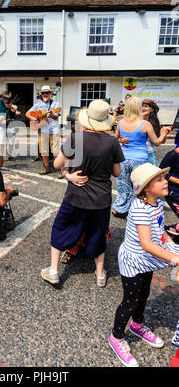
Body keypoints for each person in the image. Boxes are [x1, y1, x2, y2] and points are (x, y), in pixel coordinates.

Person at [41, 100, 125, 287]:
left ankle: (54, 271)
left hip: (76, 195)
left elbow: (57, 164)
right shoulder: (112, 142)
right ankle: (100, 274)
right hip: (101, 197)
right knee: (97, 233)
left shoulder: (75, 138)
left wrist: (69, 176)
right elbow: (117, 173)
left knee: (61, 227)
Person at [109, 163, 179, 368]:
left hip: (146, 258)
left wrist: (170, 242)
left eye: (163, 178)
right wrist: (174, 258)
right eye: (159, 179)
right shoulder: (139, 208)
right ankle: (116, 336)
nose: (165, 181)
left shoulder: (156, 202)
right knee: (130, 301)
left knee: (145, 292)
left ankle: (137, 325)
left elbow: (159, 229)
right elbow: (147, 244)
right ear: (146, 187)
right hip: (134, 260)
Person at [112, 97, 171, 219]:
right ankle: (137, 211)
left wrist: (122, 140)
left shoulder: (121, 122)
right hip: (140, 160)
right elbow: (156, 142)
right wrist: (164, 133)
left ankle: (120, 208)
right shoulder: (145, 124)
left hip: (124, 158)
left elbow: (115, 139)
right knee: (139, 186)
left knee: (124, 184)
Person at [26, 85, 62, 178]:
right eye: (43, 93)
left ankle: (59, 169)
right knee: (44, 150)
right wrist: (34, 119)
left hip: (54, 130)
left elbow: (57, 115)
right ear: (41, 94)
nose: (45, 94)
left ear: (50, 94)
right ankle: (46, 167)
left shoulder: (55, 104)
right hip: (43, 130)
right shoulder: (38, 105)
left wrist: (52, 115)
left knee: (56, 150)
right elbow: (27, 113)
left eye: (47, 93)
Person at [159, 131, 179, 238]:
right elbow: (160, 172)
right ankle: (165, 233)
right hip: (174, 192)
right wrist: (175, 180)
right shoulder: (172, 155)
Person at [0, 90, 21, 161]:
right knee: (1, 140)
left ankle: (10, 155)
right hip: (2, 121)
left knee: (11, 140)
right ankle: (0, 156)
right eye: (3, 98)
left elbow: (15, 108)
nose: (5, 99)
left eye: (6, 98)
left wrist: (15, 110)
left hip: (10, 121)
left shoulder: (12, 102)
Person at [142, 99, 163, 166]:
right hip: (136, 154)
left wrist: (163, 133)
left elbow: (157, 142)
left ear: (151, 109)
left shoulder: (154, 123)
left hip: (149, 153)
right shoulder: (136, 121)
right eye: (141, 106)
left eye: (145, 106)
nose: (143, 108)